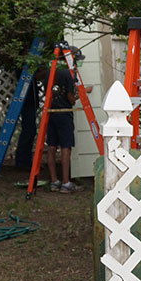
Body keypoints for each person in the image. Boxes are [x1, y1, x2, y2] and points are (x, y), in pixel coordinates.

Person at [45, 52, 79, 193]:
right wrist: (80, 93)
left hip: (51, 112)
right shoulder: (67, 74)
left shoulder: (50, 72)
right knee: (66, 147)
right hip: (64, 113)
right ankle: (66, 183)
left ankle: (54, 181)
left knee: (52, 146)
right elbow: (70, 98)